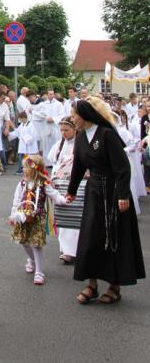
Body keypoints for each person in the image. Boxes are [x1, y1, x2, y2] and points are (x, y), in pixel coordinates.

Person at [67, 97, 145, 304]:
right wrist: (71, 190)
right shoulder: (82, 137)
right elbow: (78, 166)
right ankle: (91, 284)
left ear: (84, 115)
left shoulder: (107, 135)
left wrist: (122, 196)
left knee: (113, 238)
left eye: (74, 115)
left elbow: (122, 168)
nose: (72, 118)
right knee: (91, 237)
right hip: (94, 193)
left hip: (112, 193)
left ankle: (114, 286)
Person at [9, 154, 66, 286]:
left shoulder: (43, 184)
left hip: (38, 218)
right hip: (22, 216)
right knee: (23, 241)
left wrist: (64, 200)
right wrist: (13, 214)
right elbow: (16, 199)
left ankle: (39, 272)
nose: (23, 170)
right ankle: (32, 259)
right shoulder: (22, 183)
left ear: (34, 169)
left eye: (25, 167)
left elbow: (55, 195)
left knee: (36, 244)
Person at [47, 117, 79, 263]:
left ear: (75, 129)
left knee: (75, 218)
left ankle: (75, 250)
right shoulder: (59, 145)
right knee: (63, 217)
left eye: (67, 130)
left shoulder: (79, 144)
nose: (63, 133)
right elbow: (53, 162)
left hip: (76, 185)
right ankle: (66, 249)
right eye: (61, 130)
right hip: (61, 185)